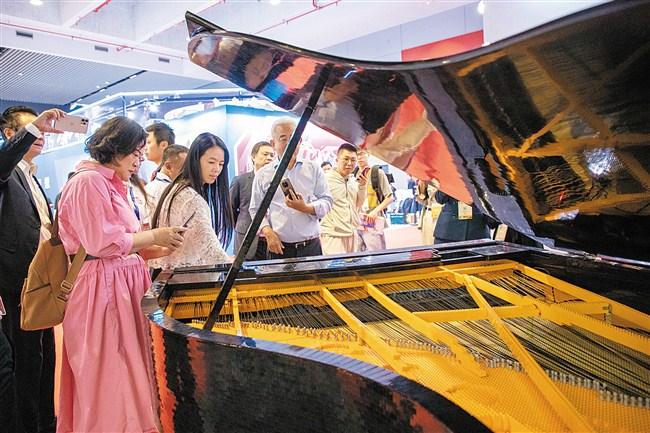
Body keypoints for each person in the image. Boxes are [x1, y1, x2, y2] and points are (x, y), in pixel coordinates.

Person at [56, 116, 185, 433]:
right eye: (136, 153)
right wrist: (153, 236)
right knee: (111, 372)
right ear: (116, 148)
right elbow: (101, 243)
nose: (139, 161)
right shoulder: (87, 182)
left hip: (120, 283)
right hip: (102, 287)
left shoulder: (109, 182)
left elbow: (122, 241)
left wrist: (155, 245)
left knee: (130, 366)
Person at [0, 106, 65, 433]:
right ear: (10, 134)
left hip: (40, 277)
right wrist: (36, 127)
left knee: (45, 356)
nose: (42, 135)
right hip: (16, 279)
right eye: (34, 130)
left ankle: (46, 422)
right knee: (25, 360)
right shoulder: (7, 170)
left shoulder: (30, 172)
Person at [250, 117, 332, 259]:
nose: (290, 143)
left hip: (311, 246)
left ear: (300, 141)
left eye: (294, 138)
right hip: (279, 248)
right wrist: (267, 232)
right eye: (283, 139)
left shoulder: (313, 169)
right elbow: (255, 208)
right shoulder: (263, 174)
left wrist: (305, 207)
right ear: (273, 143)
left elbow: (327, 201)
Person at [150, 132, 233, 269]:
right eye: (211, 162)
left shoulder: (178, 188)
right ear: (195, 160)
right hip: (184, 276)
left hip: (171, 273)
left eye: (221, 164)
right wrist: (231, 264)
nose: (216, 169)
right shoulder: (191, 198)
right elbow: (210, 249)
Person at [230, 140, 274, 260]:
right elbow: (230, 210)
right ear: (253, 157)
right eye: (265, 154)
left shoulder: (278, 180)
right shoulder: (240, 181)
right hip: (247, 239)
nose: (269, 158)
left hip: (272, 239)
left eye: (272, 155)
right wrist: (242, 226)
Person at [320, 143, 367, 255]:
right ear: (337, 160)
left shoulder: (352, 181)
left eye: (353, 160)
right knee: (336, 266)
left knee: (352, 266)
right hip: (333, 235)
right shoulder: (326, 180)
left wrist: (362, 186)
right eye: (346, 159)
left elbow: (358, 204)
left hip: (352, 233)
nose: (349, 163)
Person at [356, 149, 395, 251]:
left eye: (361, 154)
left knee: (376, 253)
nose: (359, 157)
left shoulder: (377, 173)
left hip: (373, 220)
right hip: (357, 220)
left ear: (368, 154)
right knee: (356, 255)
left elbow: (390, 197)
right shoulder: (354, 175)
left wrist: (375, 212)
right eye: (357, 155)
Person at [145, 144, 188, 218]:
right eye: (184, 169)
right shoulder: (170, 191)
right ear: (168, 167)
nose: (188, 174)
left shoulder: (148, 187)